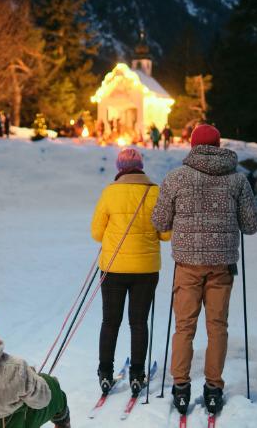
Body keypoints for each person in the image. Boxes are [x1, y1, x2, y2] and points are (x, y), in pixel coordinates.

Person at [151, 124, 257, 416]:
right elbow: (252, 225)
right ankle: (214, 389)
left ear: (192, 145)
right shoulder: (238, 181)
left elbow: (160, 222)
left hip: (186, 265)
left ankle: (180, 387)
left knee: (184, 327)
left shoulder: (175, 178)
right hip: (221, 266)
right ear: (219, 144)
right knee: (217, 327)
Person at [91, 148, 171, 396]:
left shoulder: (110, 192)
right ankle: (137, 374)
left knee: (110, 321)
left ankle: (105, 373)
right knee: (138, 322)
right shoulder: (155, 192)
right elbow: (166, 234)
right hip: (146, 270)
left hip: (113, 268)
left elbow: (96, 233)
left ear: (119, 168)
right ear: (140, 166)